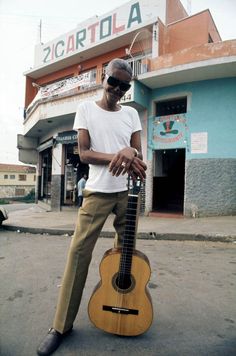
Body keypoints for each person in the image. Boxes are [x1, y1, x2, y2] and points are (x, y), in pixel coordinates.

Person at [37, 58, 147, 356]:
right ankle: (60, 326)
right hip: (97, 192)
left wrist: (132, 150)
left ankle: (120, 309)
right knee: (78, 253)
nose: (118, 89)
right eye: (114, 82)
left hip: (127, 193)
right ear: (103, 77)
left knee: (126, 255)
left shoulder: (131, 115)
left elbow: (138, 151)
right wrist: (121, 153)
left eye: (124, 86)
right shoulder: (86, 109)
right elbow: (84, 153)